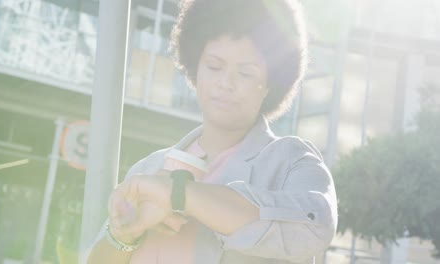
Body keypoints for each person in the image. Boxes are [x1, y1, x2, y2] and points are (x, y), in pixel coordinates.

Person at [87, 0, 338, 263]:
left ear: (269, 85)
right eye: (214, 67)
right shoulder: (150, 167)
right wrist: (124, 234)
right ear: (195, 68)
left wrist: (178, 194)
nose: (226, 83)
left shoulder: (290, 161)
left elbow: (314, 226)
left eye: (245, 73)